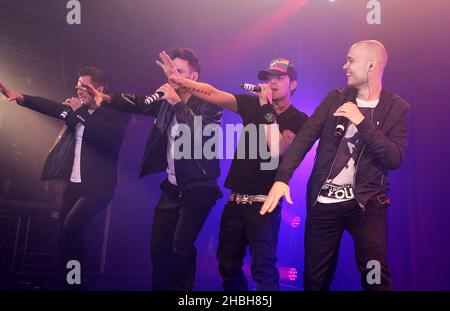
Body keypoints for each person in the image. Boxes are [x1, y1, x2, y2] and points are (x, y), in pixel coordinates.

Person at [261, 40, 410, 291]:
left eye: (351, 60)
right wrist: (281, 178)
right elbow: (305, 138)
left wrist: (362, 122)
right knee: (315, 281)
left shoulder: (396, 108)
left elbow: (394, 157)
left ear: (371, 65)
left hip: (367, 205)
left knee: (375, 276)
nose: (345, 66)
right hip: (324, 205)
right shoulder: (335, 99)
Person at [157, 52, 309, 290]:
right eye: (269, 77)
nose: (272, 82)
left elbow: (277, 147)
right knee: (227, 264)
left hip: (265, 203)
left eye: (279, 78)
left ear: (293, 84)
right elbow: (214, 93)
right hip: (236, 200)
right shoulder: (251, 104)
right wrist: (182, 82)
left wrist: (266, 105)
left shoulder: (299, 119)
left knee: (263, 268)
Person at [79, 47, 223, 291]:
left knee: (182, 244)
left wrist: (177, 103)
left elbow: (199, 138)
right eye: (170, 71)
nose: (172, 76)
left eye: (179, 71)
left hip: (199, 187)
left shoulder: (210, 105)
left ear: (194, 77)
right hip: (172, 186)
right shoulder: (165, 102)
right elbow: (137, 102)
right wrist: (107, 98)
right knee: (158, 247)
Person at [0, 66, 129, 288]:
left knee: (71, 228)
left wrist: (77, 112)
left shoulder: (114, 114)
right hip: (75, 185)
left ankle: (77, 280)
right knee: (63, 234)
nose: (78, 89)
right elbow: (52, 107)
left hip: (98, 187)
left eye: (84, 85)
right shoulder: (76, 111)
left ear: (98, 89)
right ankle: (67, 281)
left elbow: (102, 137)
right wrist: (22, 98)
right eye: (77, 84)